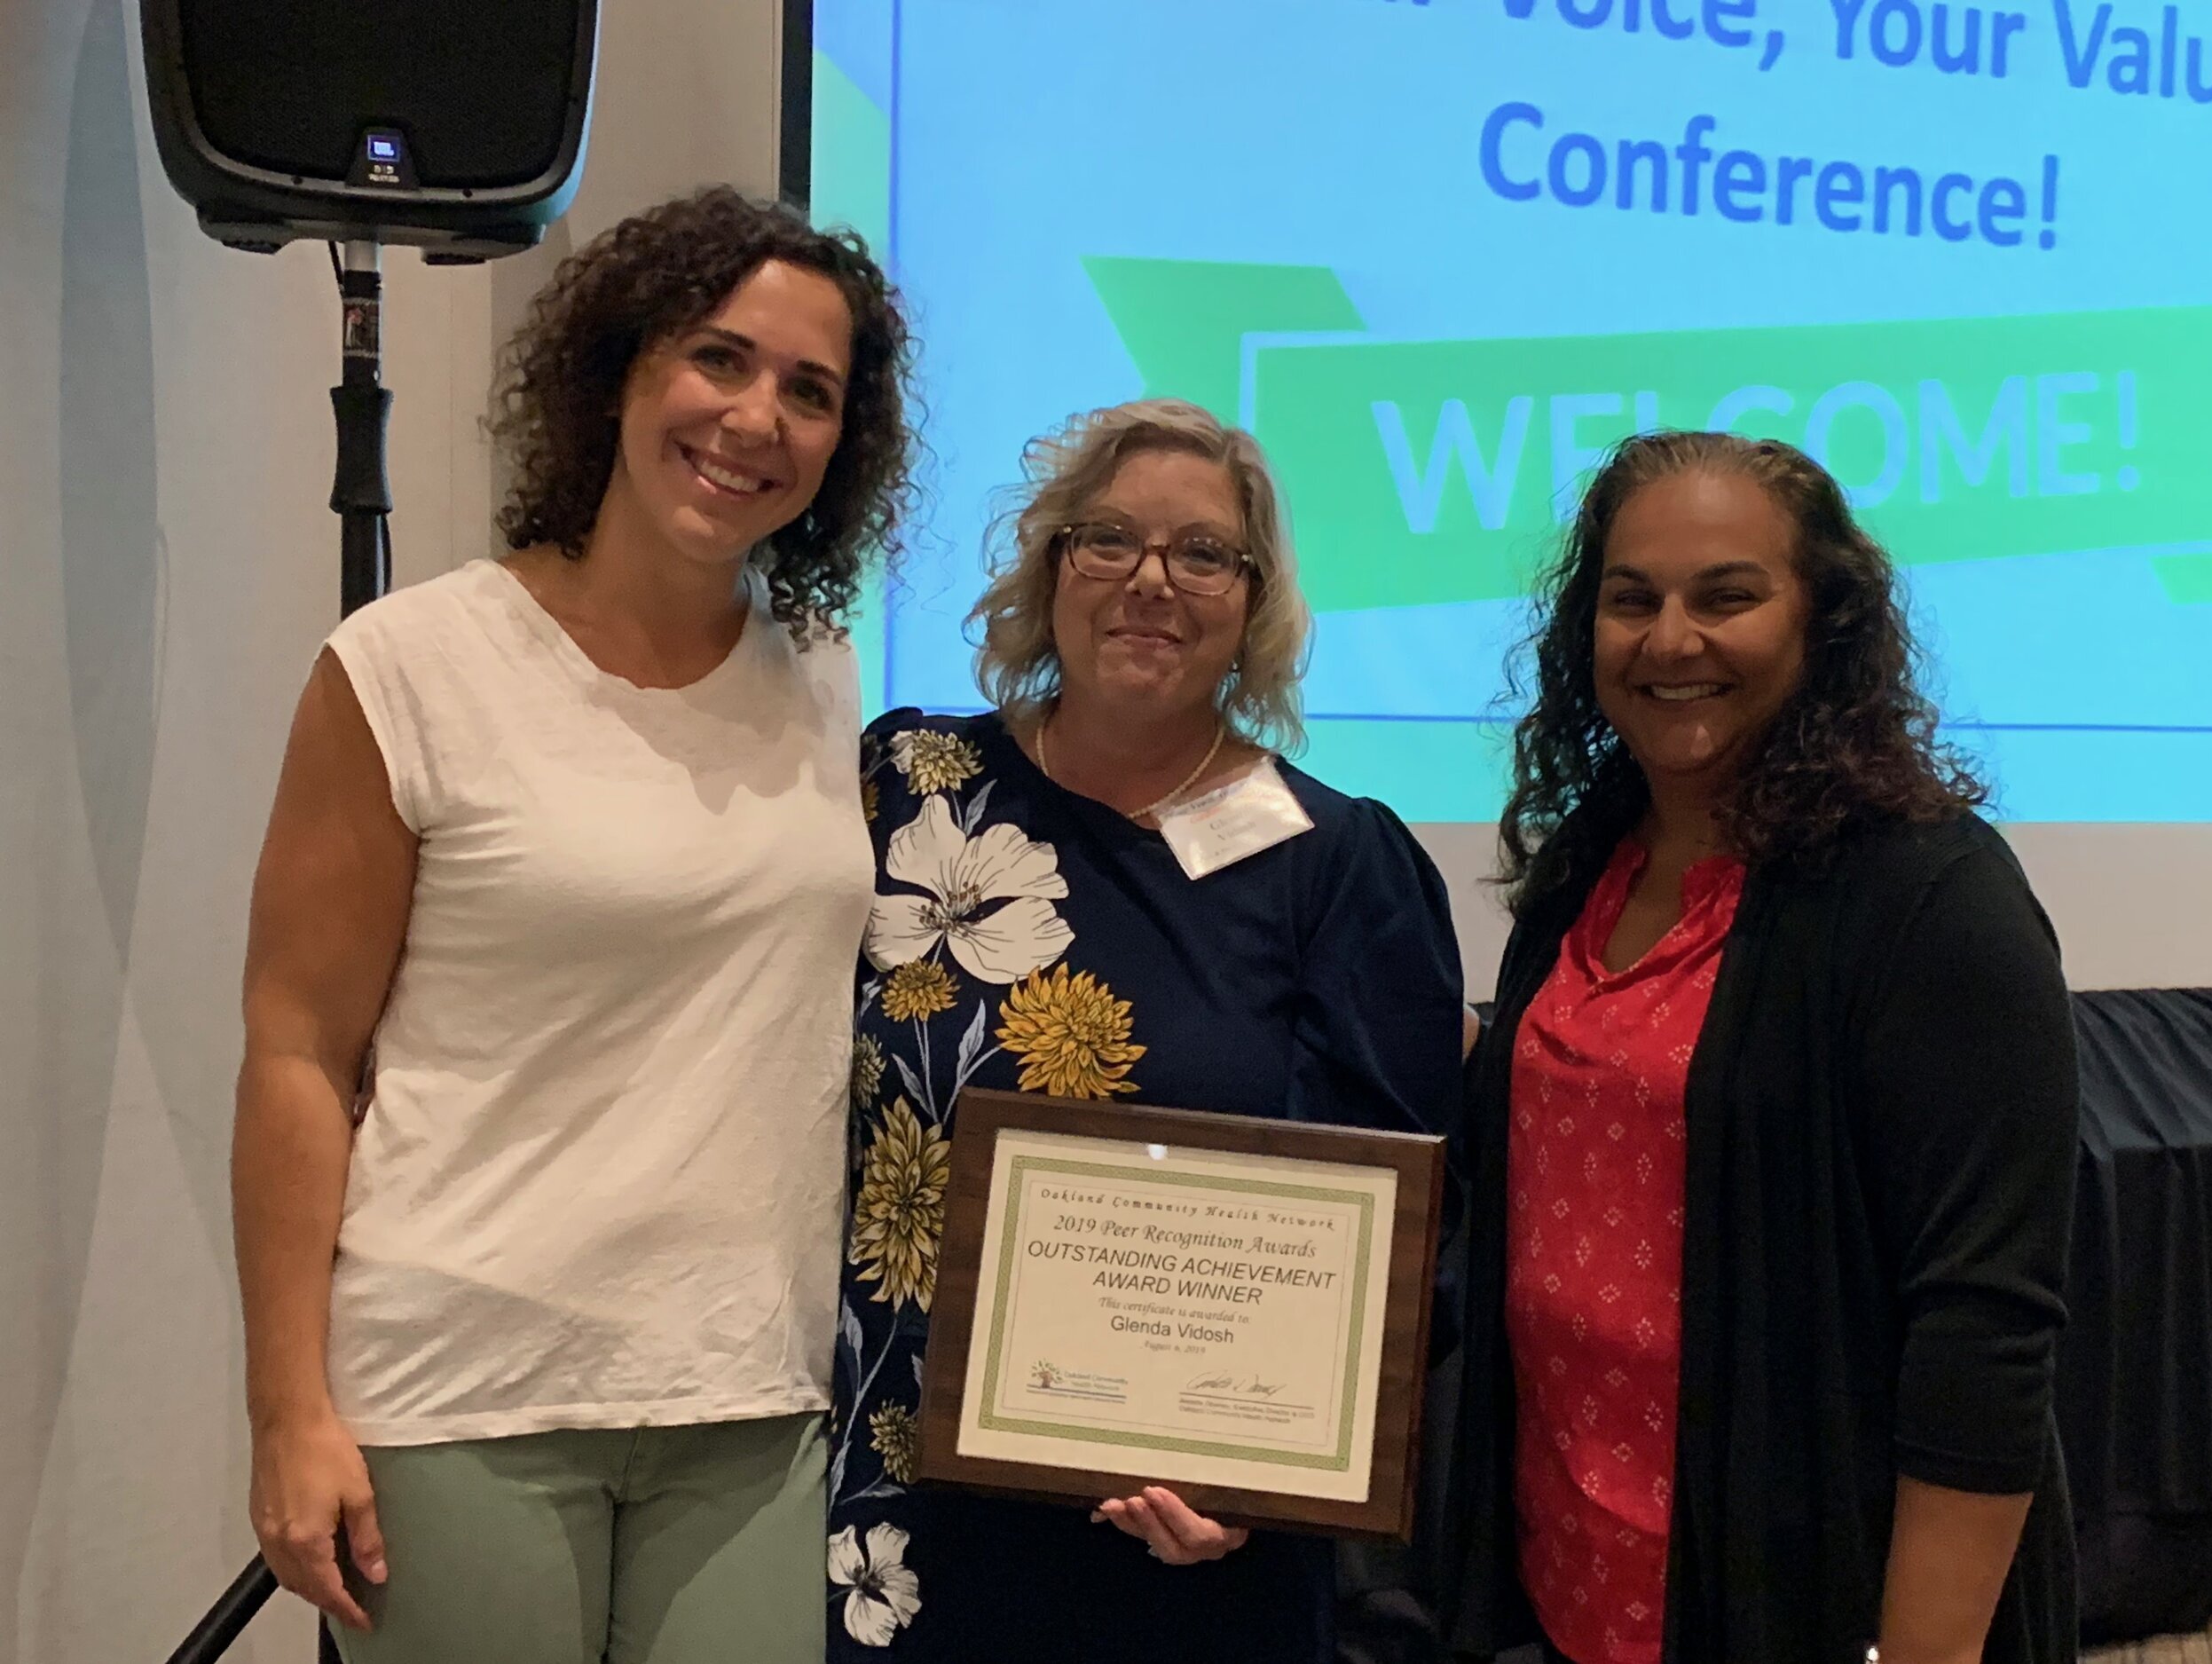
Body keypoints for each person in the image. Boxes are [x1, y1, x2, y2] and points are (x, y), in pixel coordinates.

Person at [232, 187, 915, 1663]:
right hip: (461, 1396)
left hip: (753, 1399)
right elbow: (294, 1050)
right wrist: (289, 1409)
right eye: (718, 359)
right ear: (621, 368)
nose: (756, 418)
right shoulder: (408, 666)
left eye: (811, 392)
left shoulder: (827, 683)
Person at [826, 398, 1465, 1663]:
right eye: (1108, 539)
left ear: (1255, 600)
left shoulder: (1334, 863)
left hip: (1180, 1533)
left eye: (1204, 554)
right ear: (1052, 565)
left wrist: (1261, 1476)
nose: (1151, 582)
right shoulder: (905, 787)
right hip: (890, 1492)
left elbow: (1407, 1231)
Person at [1443, 430, 2079, 1664]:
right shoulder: (1590, 863)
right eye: (1632, 599)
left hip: (1812, 1606)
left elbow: (1984, 1337)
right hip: (1569, 1584)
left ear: (1822, 623)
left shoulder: (1932, 900)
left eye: (1726, 595)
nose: (1670, 638)